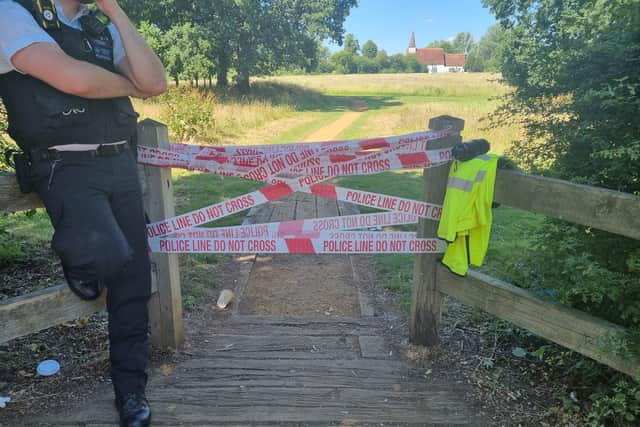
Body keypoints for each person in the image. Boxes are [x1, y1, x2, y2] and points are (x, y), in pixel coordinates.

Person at [0, 0, 167, 425]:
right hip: (62, 163)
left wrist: (117, 14)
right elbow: (75, 80)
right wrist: (131, 84)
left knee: (133, 282)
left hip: (119, 161)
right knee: (107, 253)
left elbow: (156, 82)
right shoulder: (14, 13)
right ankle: (82, 261)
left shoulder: (99, 26)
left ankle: (131, 391)